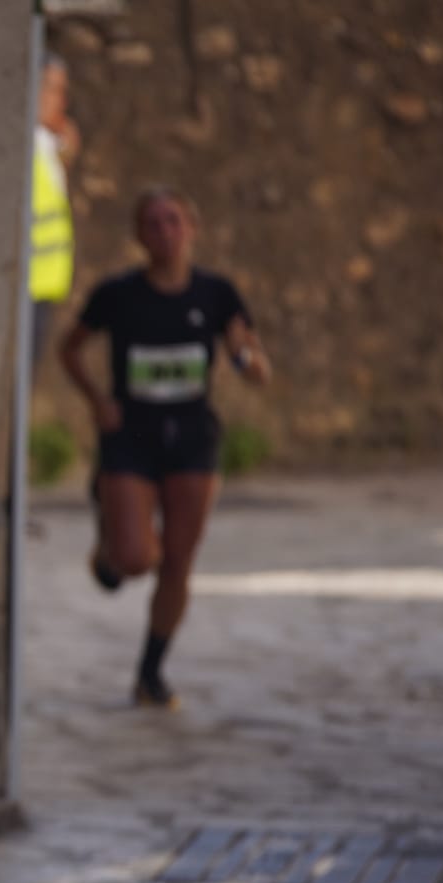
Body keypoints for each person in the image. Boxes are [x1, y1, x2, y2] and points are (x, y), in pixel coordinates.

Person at [58, 187, 271, 709]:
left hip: (193, 439)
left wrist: (242, 356)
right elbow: (69, 349)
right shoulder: (118, 294)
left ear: (192, 228)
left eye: (173, 221)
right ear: (139, 235)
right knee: (135, 560)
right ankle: (112, 535)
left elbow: (259, 372)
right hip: (130, 436)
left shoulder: (217, 294)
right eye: (152, 223)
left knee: (177, 562)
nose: (165, 232)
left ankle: (151, 674)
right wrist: (97, 401)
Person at [30, 54, 78, 382]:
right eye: (51, 88)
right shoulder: (25, 144)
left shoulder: (48, 144)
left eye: (62, 91)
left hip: (42, 286)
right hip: (23, 285)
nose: (59, 100)